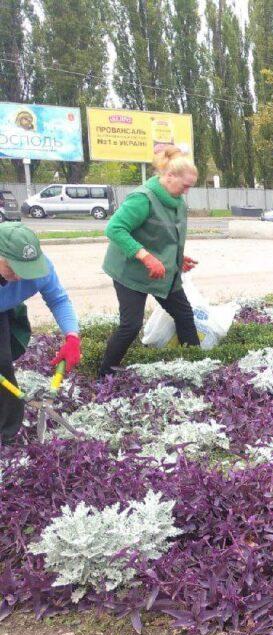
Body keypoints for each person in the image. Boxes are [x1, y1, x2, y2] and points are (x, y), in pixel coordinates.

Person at [98, 147, 200, 376]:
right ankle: (104, 375)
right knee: (131, 325)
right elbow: (115, 229)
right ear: (169, 176)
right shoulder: (143, 199)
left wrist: (177, 257)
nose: (186, 192)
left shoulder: (177, 202)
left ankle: (196, 367)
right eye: (184, 186)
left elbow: (162, 235)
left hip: (163, 271)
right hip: (130, 272)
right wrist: (145, 256)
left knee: (184, 315)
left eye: (189, 188)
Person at [0, 223, 80, 445]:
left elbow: (58, 300)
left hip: (4, 309)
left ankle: (8, 436)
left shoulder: (42, 269)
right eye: (12, 268)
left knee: (3, 366)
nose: (19, 276)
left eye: (26, 269)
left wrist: (72, 337)